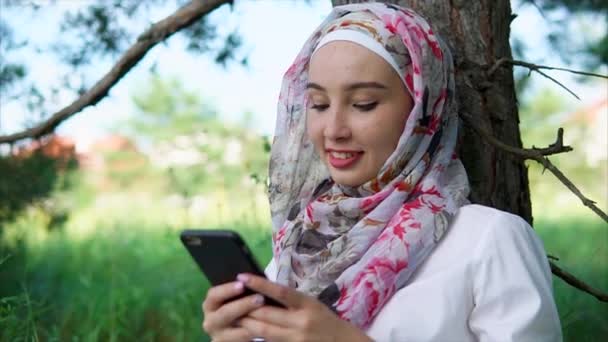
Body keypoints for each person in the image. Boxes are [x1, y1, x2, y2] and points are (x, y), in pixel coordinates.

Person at [201, 3, 562, 341]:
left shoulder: (488, 240)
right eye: (319, 104)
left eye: (363, 104)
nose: (333, 130)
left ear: (422, 108)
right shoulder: (298, 248)